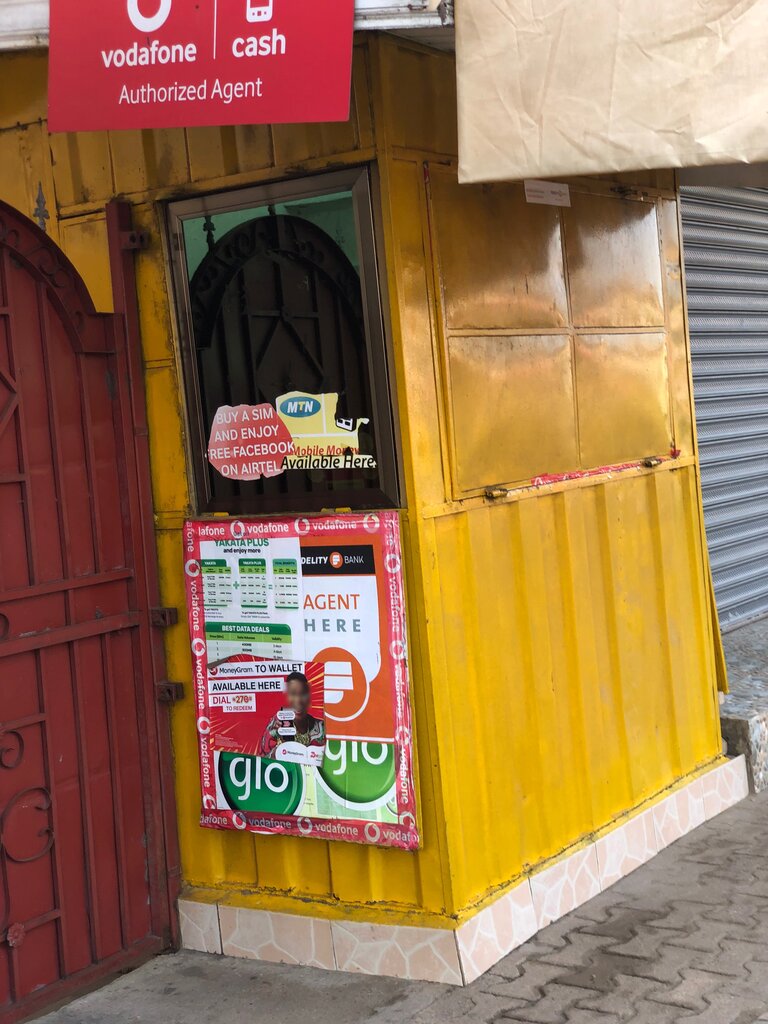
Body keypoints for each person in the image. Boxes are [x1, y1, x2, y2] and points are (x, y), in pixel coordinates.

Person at [258, 671, 325, 758]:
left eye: (303, 694)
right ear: (287, 696)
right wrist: (281, 745)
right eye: (293, 694)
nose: (298, 700)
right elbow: (262, 762)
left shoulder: (321, 728)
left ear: (309, 696)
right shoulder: (277, 726)